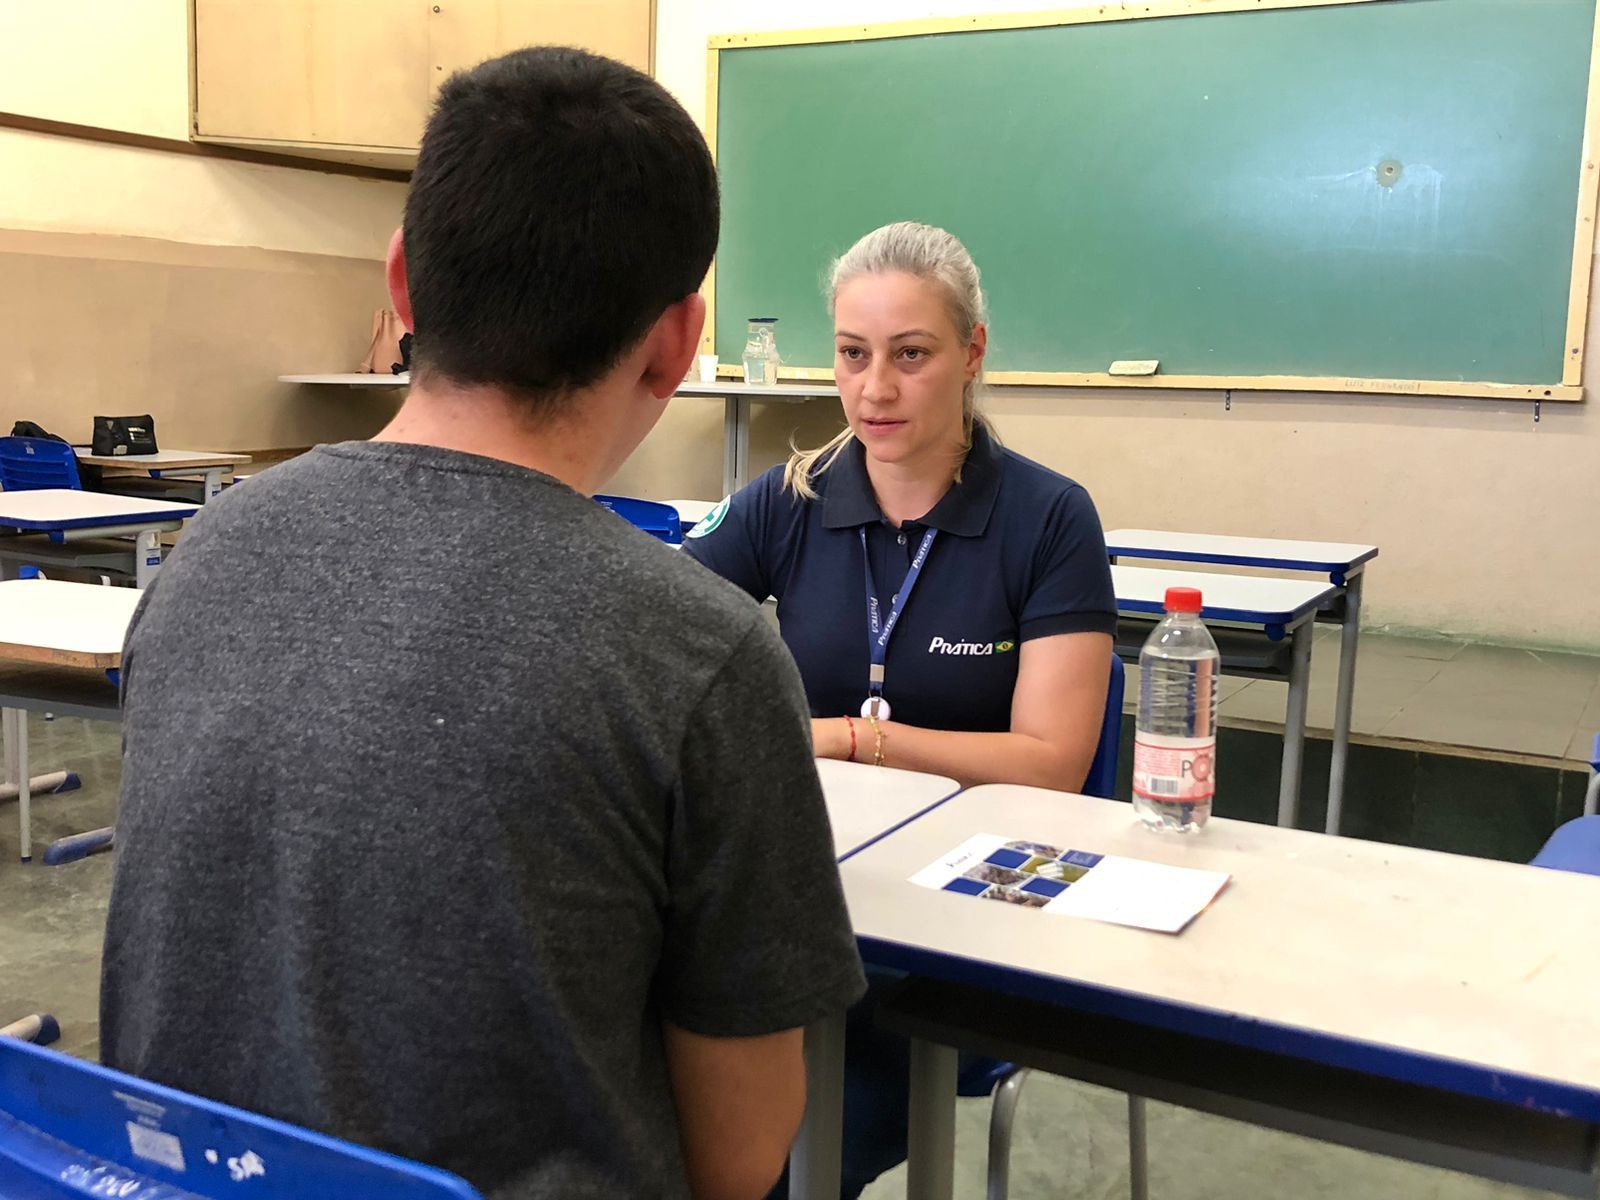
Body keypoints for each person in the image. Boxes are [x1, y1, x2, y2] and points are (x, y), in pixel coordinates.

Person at [100, 47, 864, 1200]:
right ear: (675, 340)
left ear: (403, 287)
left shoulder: (204, 555)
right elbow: (743, 1155)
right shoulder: (698, 656)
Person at [684, 220, 1116, 1197]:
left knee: (791, 1138)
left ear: (970, 353)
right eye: (851, 354)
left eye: (909, 356)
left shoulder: (1047, 520)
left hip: (966, 923)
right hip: (808, 889)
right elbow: (654, 640)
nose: (873, 389)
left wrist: (850, 739)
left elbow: (1051, 758)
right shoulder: (787, 501)